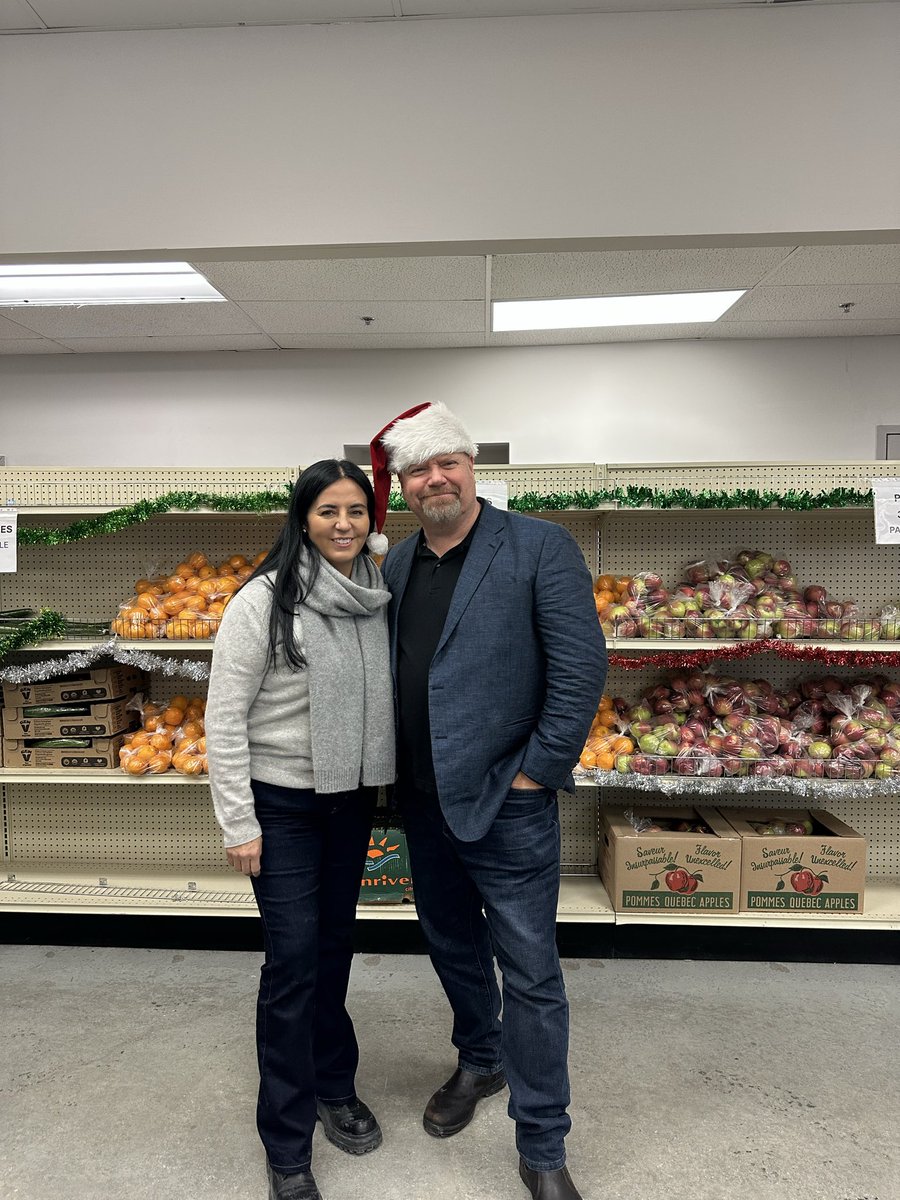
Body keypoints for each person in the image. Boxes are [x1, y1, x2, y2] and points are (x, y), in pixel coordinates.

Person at [369, 403, 607, 1200]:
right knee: (451, 946)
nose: (435, 479)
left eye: (448, 463)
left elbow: (580, 670)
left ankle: (543, 1147)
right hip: (422, 801)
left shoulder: (538, 546)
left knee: (532, 973)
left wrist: (537, 771)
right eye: (418, 470)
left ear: (472, 467)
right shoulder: (398, 565)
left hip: (509, 802)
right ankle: (480, 1058)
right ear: (401, 485)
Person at [206, 459, 395, 1200]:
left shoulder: (376, 593)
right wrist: (238, 821)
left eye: (355, 511)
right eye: (327, 512)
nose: (343, 525)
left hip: (349, 798)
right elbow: (223, 717)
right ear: (302, 518)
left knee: (333, 945)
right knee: (292, 964)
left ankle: (332, 1085)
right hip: (280, 805)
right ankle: (286, 1146)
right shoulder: (263, 601)